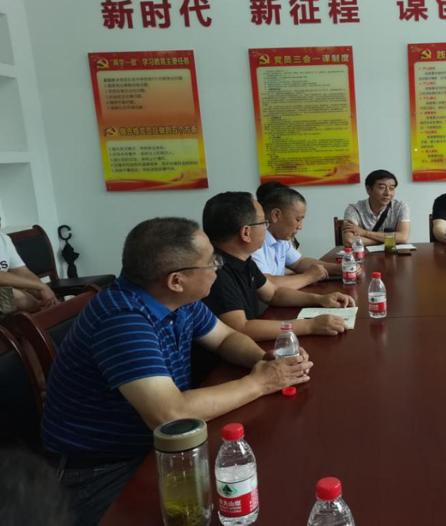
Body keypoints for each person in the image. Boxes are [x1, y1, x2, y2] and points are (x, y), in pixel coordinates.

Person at [40, 217, 314, 525]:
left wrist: (262, 360)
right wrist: (260, 383)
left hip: (162, 449)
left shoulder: (178, 300)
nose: (218, 267)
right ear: (176, 280)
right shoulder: (123, 319)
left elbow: (226, 338)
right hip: (102, 471)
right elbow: (170, 415)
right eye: (211, 262)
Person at [202, 192, 353, 341]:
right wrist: (309, 325)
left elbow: (274, 293)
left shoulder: (245, 261)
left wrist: (320, 299)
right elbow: (241, 328)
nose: (266, 227)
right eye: (263, 223)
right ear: (246, 233)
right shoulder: (216, 272)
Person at [253, 186, 357, 289]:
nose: (300, 226)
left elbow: (299, 262)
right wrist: (308, 277)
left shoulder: (280, 238)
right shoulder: (255, 242)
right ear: (276, 215)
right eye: (298, 219)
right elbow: (266, 283)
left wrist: (338, 268)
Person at [0, 222, 58, 317]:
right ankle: (44, 314)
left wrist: (43, 289)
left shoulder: (3, 239)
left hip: (4, 286)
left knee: (39, 292)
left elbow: (22, 272)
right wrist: (40, 287)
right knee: (16, 296)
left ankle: (55, 314)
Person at [343, 169, 411, 247]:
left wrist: (365, 233)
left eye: (391, 188)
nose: (387, 193)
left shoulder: (400, 207)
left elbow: (403, 238)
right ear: (368, 189)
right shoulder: (354, 209)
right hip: (363, 254)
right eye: (382, 187)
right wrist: (387, 240)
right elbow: (349, 240)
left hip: (392, 253)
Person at [256, 181, 300, 250]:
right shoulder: (257, 239)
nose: (300, 226)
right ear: (276, 214)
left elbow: (298, 256)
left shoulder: (285, 234)